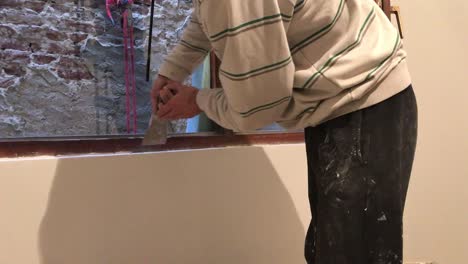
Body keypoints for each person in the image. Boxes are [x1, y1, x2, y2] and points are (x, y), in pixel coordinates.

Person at [150, 0, 418, 263]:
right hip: (342, 95)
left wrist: (197, 100)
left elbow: (256, 108)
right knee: (331, 248)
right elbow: (206, 16)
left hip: (364, 98)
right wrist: (174, 69)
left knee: (351, 253)